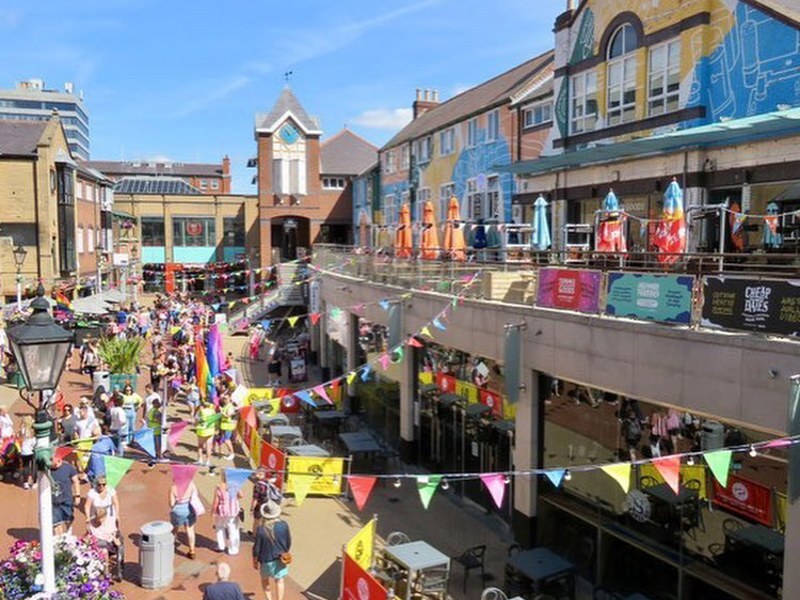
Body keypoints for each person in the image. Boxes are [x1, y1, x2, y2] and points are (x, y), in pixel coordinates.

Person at [253, 501, 292, 600]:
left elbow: (257, 547)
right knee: (280, 581)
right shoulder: (284, 525)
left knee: (265, 580)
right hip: (280, 558)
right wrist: (285, 551)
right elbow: (289, 541)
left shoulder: (261, 529)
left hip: (266, 560)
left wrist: (255, 560)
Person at [86, 505, 124, 582]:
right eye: (99, 518)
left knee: (104, 551)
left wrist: (115, 539)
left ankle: (106, 571)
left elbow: (114, 533)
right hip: (95, 544)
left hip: (107, 544)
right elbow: (89, 534)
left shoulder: (109, 523)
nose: (100, 520)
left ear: (105, 516)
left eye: (102, 518)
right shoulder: (91, 523)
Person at [212, 470, 242, 555]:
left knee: (219, 527)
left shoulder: (219, 486)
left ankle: (221, 545)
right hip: (233, 510)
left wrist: (213, 512)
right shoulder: (236, 485)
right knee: (233, 529)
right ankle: (233, 549)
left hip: (222, 511)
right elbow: (241, 495)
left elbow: (216, 501)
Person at [51, 452, 80, 535]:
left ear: (58, 459)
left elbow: (76, 481)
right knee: (56, 522)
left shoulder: (68, 467)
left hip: (67, 498)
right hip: (54, 500)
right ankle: (59, 538)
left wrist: (77, 495)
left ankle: (68, 531)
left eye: (51, 460)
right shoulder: (47, 470)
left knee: (68, 519)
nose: (49, 462)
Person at [169, 478, 198, 559]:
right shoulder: (191, 484)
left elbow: (171, 504)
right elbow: (195, 495)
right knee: (190, 530)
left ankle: (171, 545)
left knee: (174, 529)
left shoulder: (173, 488)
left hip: (178, 510)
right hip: (189, 508)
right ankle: (192, 550)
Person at [195, 401, 217, 467]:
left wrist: (196, 424)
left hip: (201, 430)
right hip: (210, 430)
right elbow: (215, 420)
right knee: (208, 446)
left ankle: (200, 460)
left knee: (200, 445)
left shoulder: (200, 412)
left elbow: (196, 420)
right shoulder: (213, 411)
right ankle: (207, 461)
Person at [218, 395, 237, 461]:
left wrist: (221, 412)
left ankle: (232, 453)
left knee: (227, 440)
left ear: (229, 399)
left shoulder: (230, 407)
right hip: (224, 425)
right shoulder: (226, 406)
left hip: (228, 426)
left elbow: (228, 415)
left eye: (226, 398)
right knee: (225, 439)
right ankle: (230, 452)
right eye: (224, 398)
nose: (224, 400)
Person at [19, 415, 36, 490]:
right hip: (32, 451)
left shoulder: (22, 430)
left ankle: (25, 483)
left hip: (24, 451)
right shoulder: (33, 431)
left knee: (25, 467)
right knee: (34, 467)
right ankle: (34, 482)